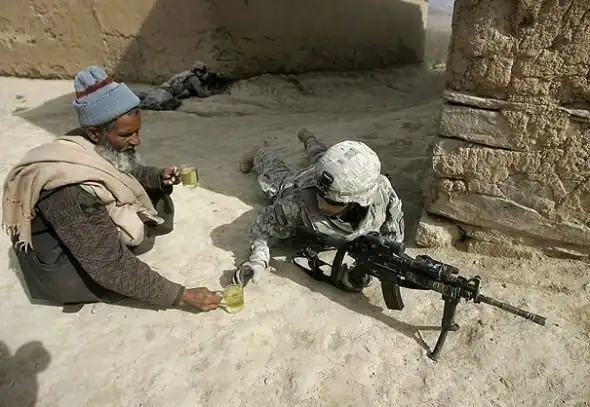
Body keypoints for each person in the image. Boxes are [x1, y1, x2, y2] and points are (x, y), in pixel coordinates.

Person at [2, 66, 221, 312]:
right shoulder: (69, 190)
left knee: (145, 215)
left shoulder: (94, 143)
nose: (137, 140)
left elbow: (122, 171)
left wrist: (157, 177)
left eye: (137, 131)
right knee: (111, 272)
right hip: (62, 266)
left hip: (82, 231)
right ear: (95, 133)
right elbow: (109, 266)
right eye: (127, 134)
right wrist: (182, 296)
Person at [232, 128, 405, 290]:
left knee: (319, 155)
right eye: (319, 195)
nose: (321, 203)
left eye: (332, 201)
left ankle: (310, 140)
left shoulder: (382, 191)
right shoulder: (297, 203)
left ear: (358, 200)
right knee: (276, 177)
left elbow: (394, 232)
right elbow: (261, 229)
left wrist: (383, 259)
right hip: (304, 181)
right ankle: (259, 154)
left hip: (325, 173)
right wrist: (258, 260)